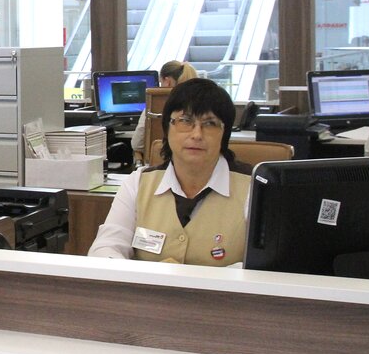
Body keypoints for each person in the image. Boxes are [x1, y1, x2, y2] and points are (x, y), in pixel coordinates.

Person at [88, 79, 251, 266]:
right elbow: (105, 248)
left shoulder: (253, 188)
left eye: (210, 123)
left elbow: (264, 267)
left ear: (225, 133)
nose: (197, 134)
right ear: (166, 128)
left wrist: (187, 278)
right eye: (185, 121)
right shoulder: (138, 183)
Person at [131, 61, 199, 157]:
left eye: (160, 82)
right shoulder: (203, 105)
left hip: (159, 161)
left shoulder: (153, 106)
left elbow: (137, 144)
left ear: (167, 81)